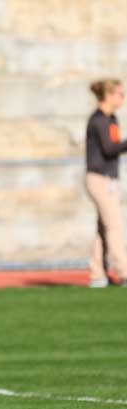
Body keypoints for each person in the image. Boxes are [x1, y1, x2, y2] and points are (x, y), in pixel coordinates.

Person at [85, 79, 127, 288]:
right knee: (114, 225)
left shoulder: (111, 119)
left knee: (103, 228)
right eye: (119, 94)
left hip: (107, 178)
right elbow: (110, 148)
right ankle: (124, 270)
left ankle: (97, 274)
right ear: (108, 96)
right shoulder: (99, 120)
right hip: (99, 178)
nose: (123, 98)